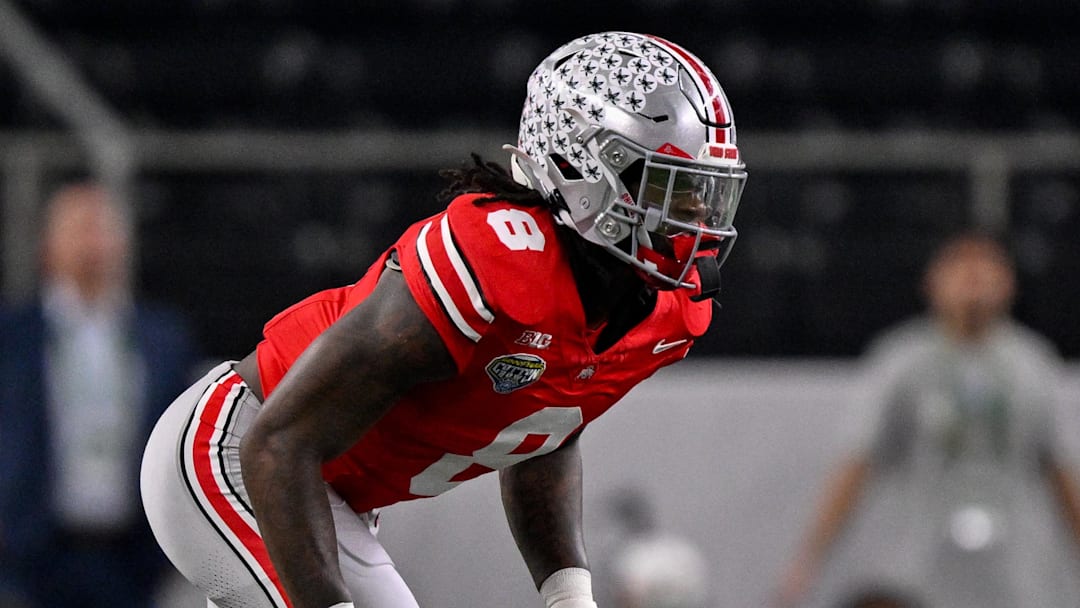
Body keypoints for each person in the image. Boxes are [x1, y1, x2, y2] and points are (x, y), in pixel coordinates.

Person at [140, 31, 747, 608]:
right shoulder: (500, 261)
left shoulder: (667, 310)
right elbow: (277, 442)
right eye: (672, 188)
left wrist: (569, 596)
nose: (695, 216)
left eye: (703, 190)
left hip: (321, 490)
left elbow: (544, 428)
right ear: (583, 170)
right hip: (238, 450)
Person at [775, 233, 1080, 608]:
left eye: (987, 269)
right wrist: (809, 558)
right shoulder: (902, 361)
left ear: (1009, 284)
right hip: (920, 565)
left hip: (1015, 565)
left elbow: (1062, 473)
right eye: (960, 268)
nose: (974, 280)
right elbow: (857, 462)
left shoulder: (1032, 364)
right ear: (932, 282)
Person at [0, 182, 199, 607]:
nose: (93, 241)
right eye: (80, 228)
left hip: (132, 557)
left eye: (103, 228)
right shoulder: (13, 336)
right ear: (48, 243)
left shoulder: (162, 338)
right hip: (32, 553)